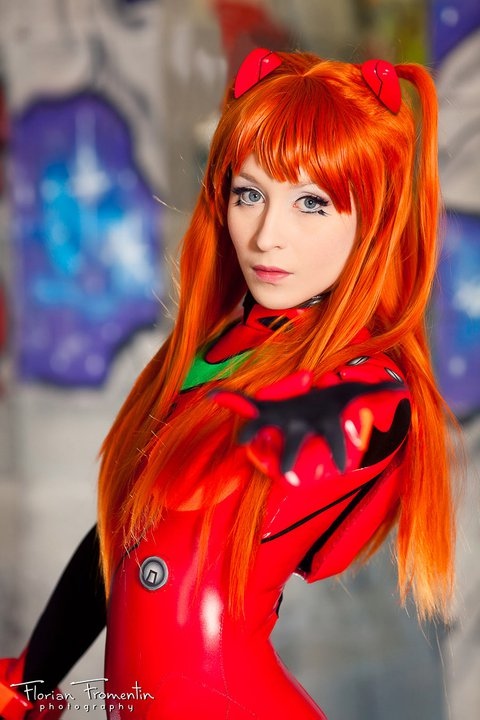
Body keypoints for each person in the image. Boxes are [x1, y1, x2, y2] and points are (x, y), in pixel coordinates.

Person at [0, 48, 457, 719]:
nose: (268, 236)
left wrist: (297, 427)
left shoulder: (367, 384)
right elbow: (119, 541)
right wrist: (30, 680)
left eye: (312, 203)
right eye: (250, 194)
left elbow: (370, 416)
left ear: (374, 221)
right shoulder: (213, 351)